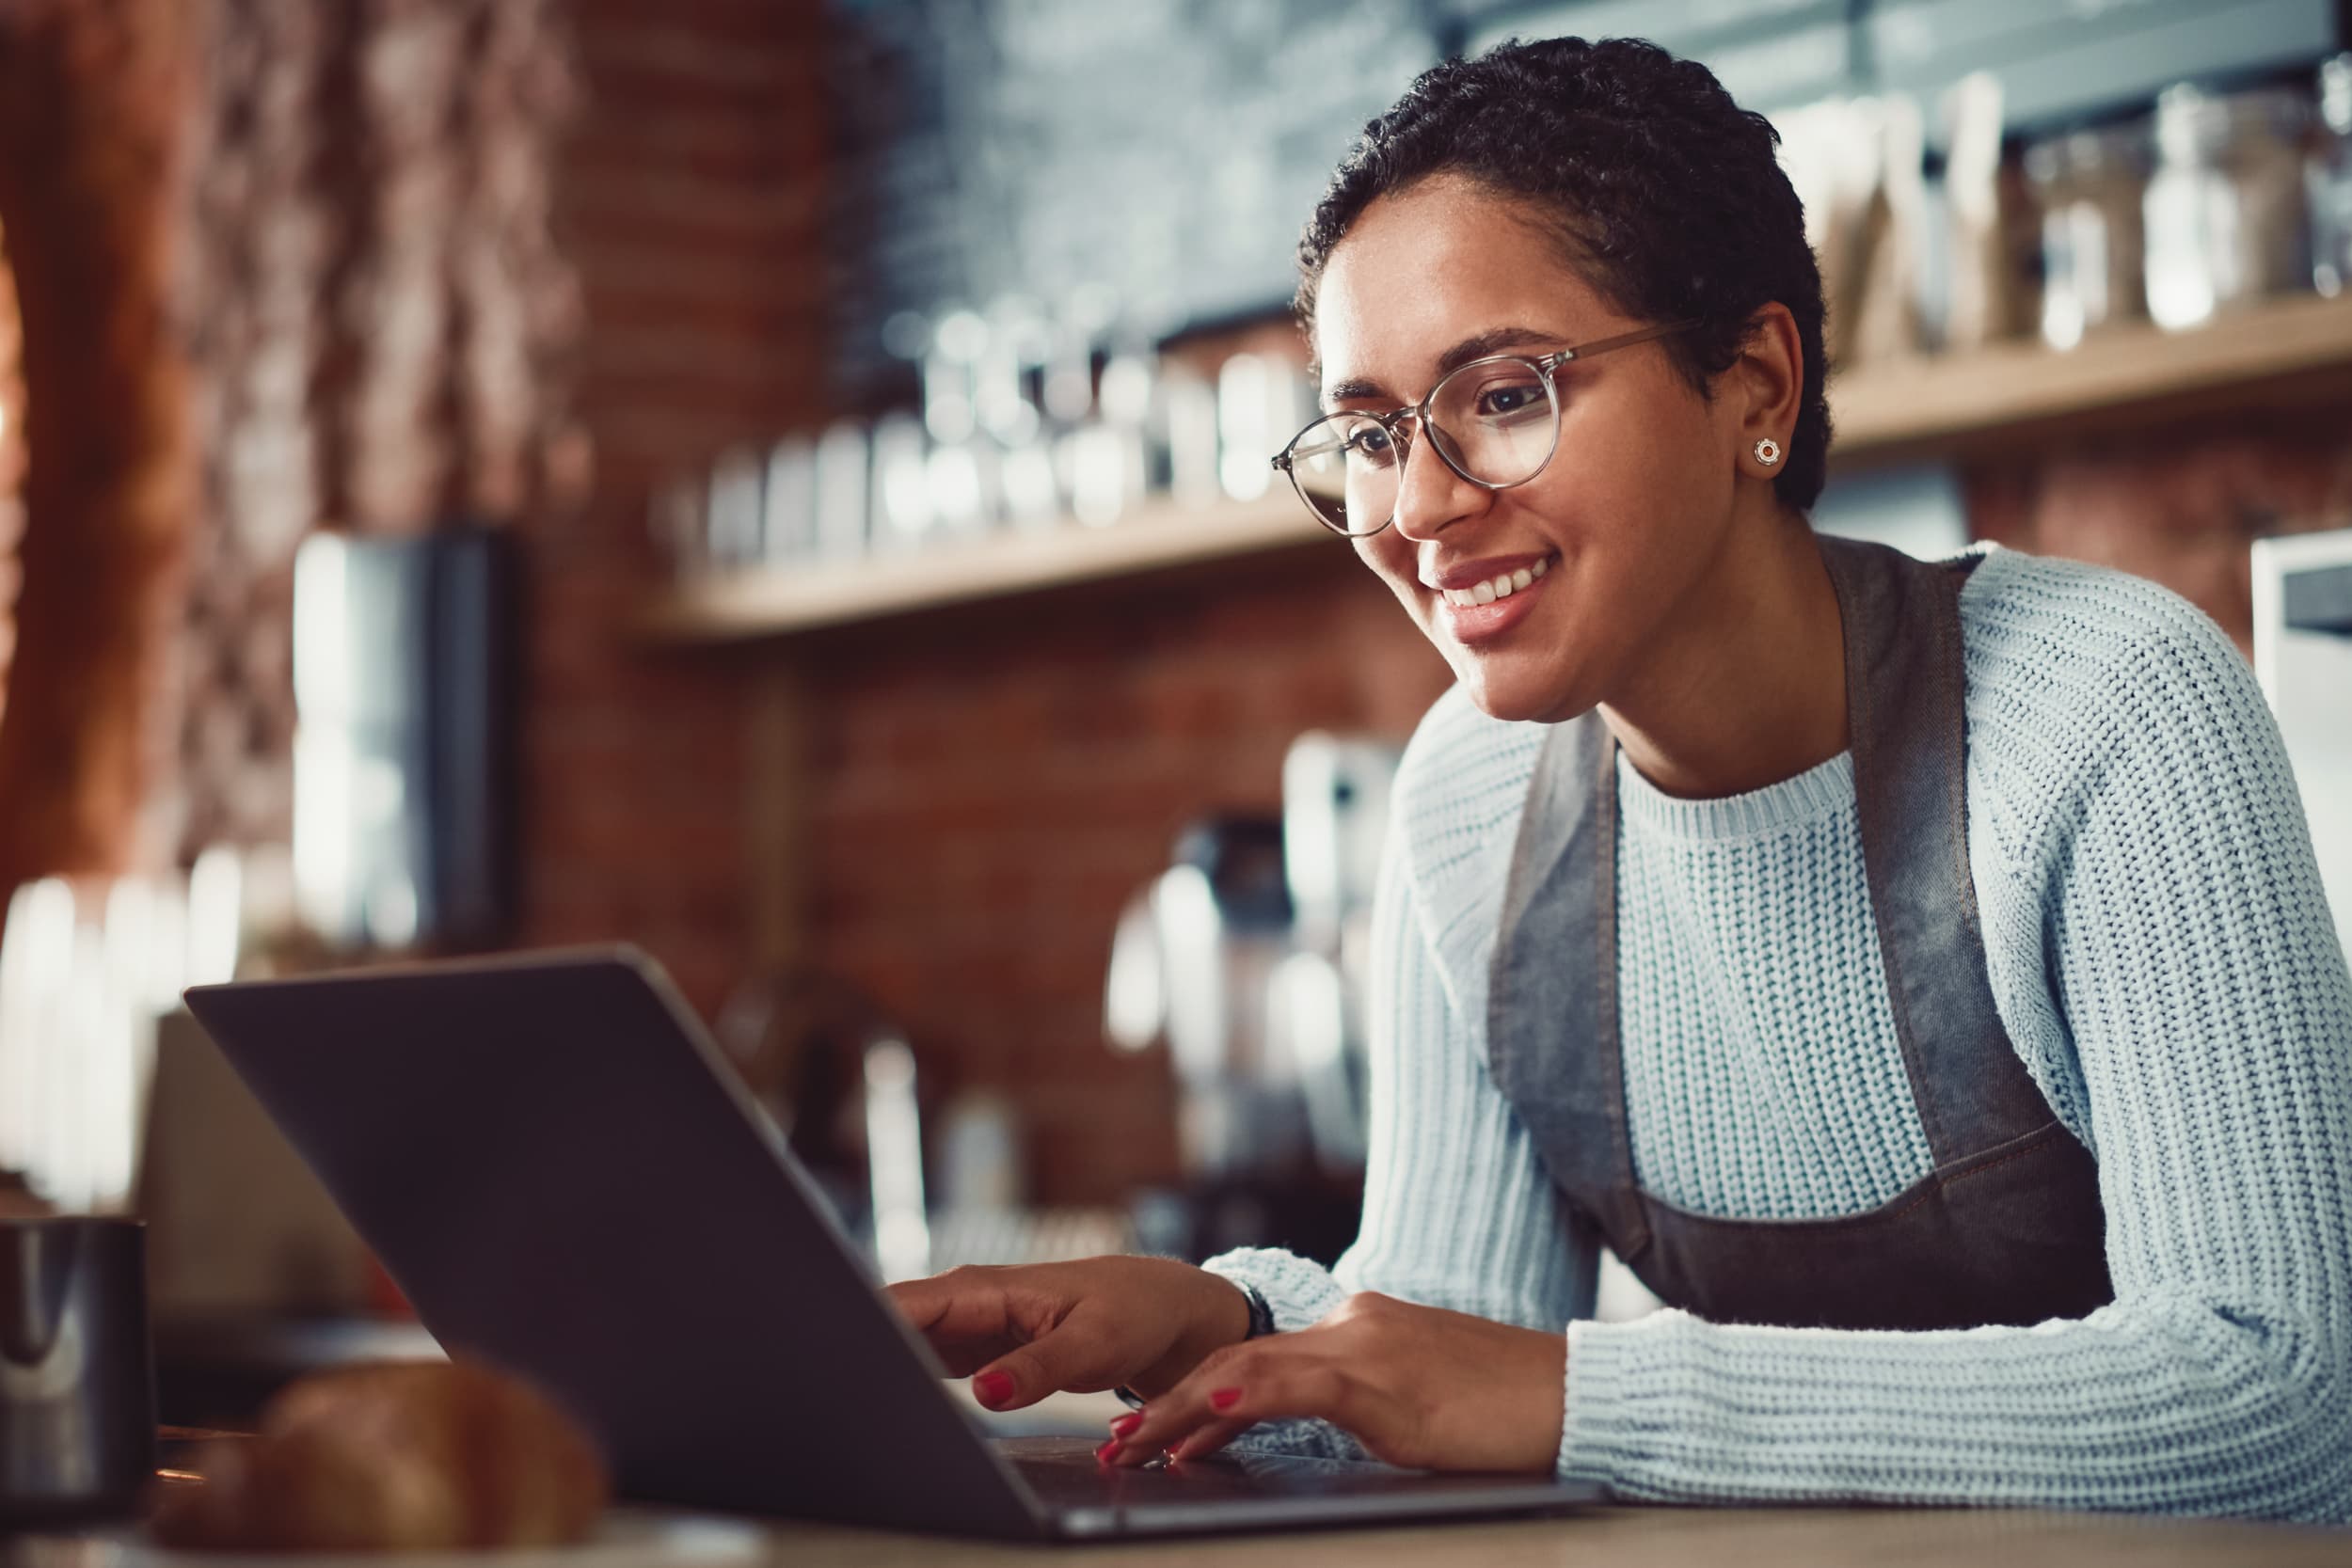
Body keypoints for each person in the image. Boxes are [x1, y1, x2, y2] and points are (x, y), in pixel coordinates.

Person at [886, 36, 2352, 1521]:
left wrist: (1576, 1393)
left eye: (1505, 394)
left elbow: (2283, 1404)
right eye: (1372, 434)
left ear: (1753, 381)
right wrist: (1233, 1333)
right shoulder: (1467, 802)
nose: (1420, 505)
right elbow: (1447, 1348)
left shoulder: (2100, 711)